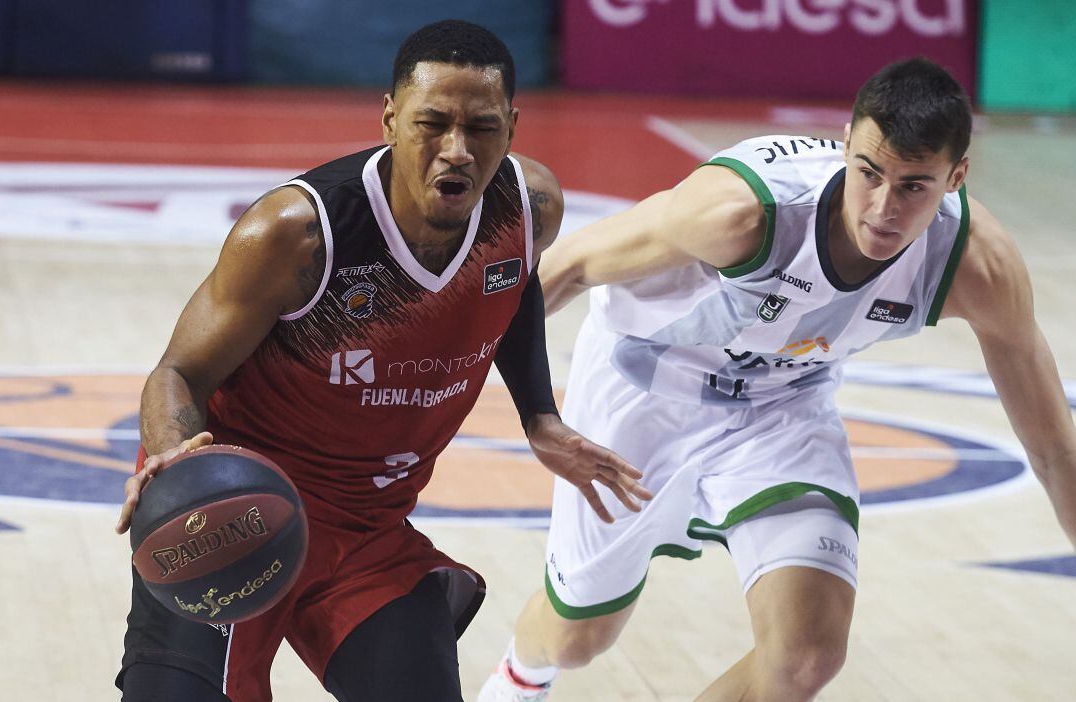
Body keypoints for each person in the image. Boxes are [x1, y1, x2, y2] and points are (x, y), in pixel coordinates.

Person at [479, 57, 1076, 702]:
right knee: (579, 638)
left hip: (783, 406)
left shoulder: (975, 264)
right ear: (846, 144)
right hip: (643, 388)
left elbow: (1054, 447)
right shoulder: (744, 210)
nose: (882, 208)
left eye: (914, 187)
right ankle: (518, 678)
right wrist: (507, 403)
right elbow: (567, 266)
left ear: (956, 176)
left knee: (807, 655)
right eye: (869, 173)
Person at [112, 20, 650, 702]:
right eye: (433, 124)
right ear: (391, 119)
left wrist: (540, 416)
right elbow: (177, 374)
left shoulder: (528, 207)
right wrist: (176, 461)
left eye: (481, 128)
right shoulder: (299, 234)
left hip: (366, 530)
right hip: (236, 512)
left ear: (512, 126)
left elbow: (516, 281)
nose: (456, 151)